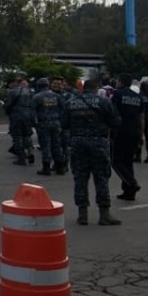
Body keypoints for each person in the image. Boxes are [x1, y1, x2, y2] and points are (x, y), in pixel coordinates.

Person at [62, 79, 122, 226]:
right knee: (101, 178)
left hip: (77, 143)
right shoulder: (104, 102)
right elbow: (115, 122)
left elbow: (64, 124)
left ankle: (82, 214)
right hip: (98, 143)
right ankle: (104, 214)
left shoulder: (70, 102)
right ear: (96, 88)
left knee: (80, 178)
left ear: (84, 89)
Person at [111, 74, 143, 201]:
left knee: (116, 162)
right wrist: (141, 135)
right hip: (134, 132)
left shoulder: (117, 94)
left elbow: (112, 113)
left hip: (120, 132)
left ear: (121, 82)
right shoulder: (137, 97)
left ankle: (132, 183)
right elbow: (141, 117)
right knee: (128, 162)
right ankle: (129, 192)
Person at [32, 78, 66, 176]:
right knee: (56, 145)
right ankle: (60, 167)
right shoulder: (56, 96)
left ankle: (46, 167)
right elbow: (63, 109)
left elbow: (33, 113)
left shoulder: (36, 97)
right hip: (56, 123)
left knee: (45, 145)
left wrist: (35, 124)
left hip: (43, 124)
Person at [5, 76, 34, 166]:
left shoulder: (12, 92)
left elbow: (7, 105)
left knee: (18, 136)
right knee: (27, 135)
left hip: (16, 115)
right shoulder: (30, 92)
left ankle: (21, 158)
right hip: (28, 115)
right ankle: (30, 151)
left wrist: (8, 112)